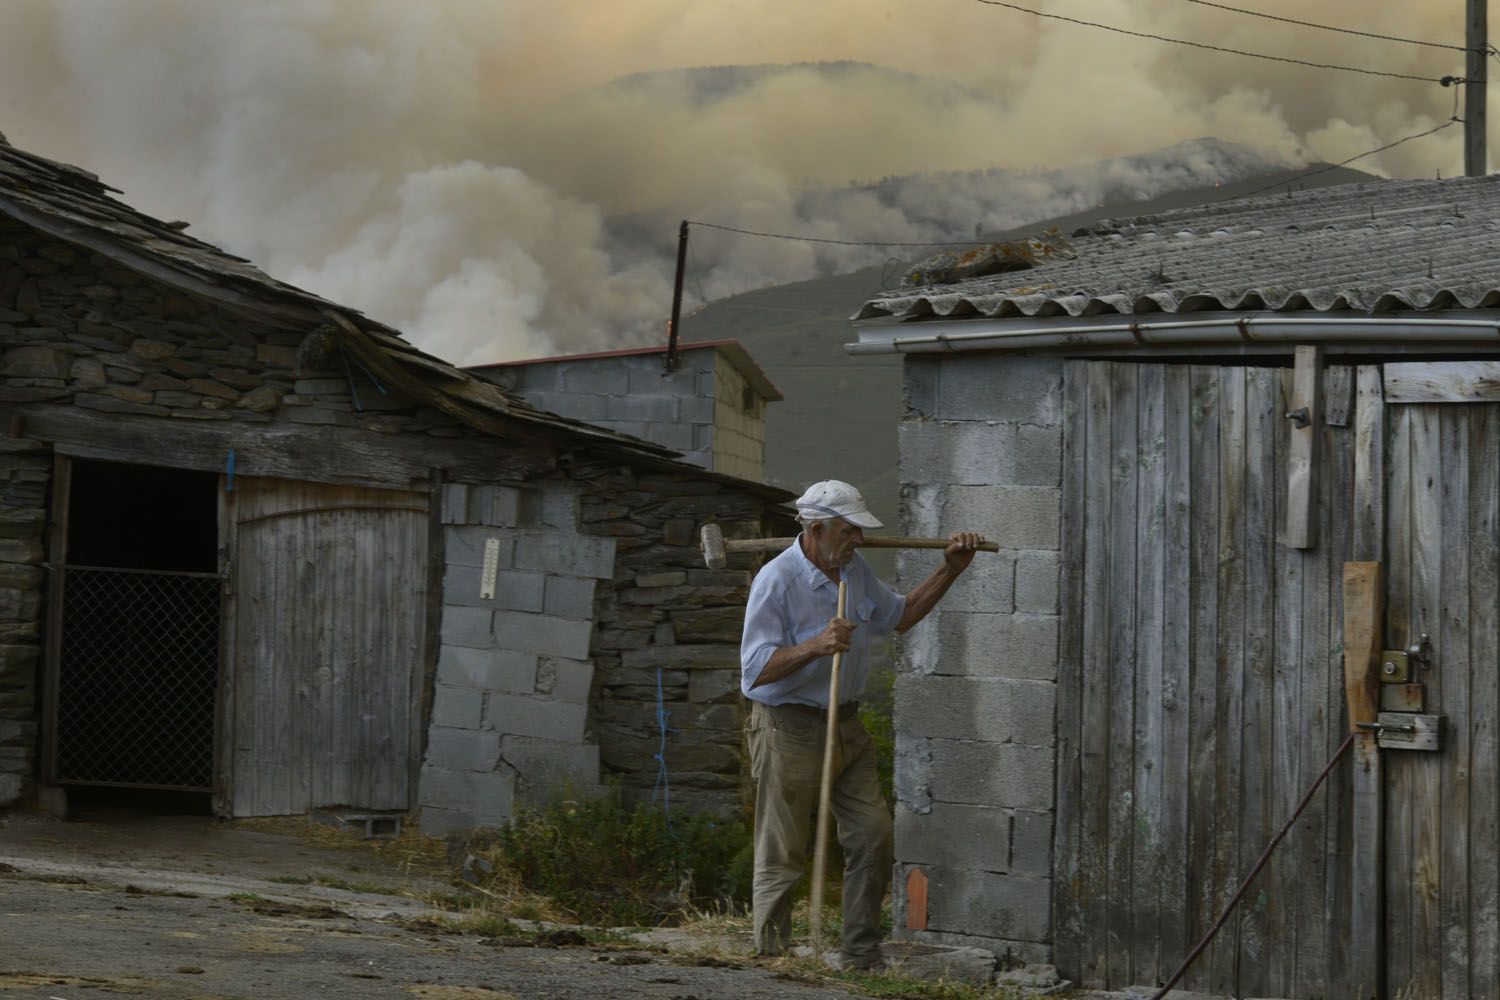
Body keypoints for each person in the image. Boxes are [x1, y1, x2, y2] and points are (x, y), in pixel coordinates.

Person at [739, 479, 986, 969]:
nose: (859, 540)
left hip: (846, 723)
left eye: (859, 530)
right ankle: (773, 959)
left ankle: (859, 953)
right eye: (850, 530)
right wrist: (816, 643)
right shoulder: (777, 580)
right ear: (816, 529)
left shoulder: (853, 568)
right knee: (784, 846)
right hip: (788, 727)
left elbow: (900, 616)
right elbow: (754, 670)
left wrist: (949, 570)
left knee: (874, 834)